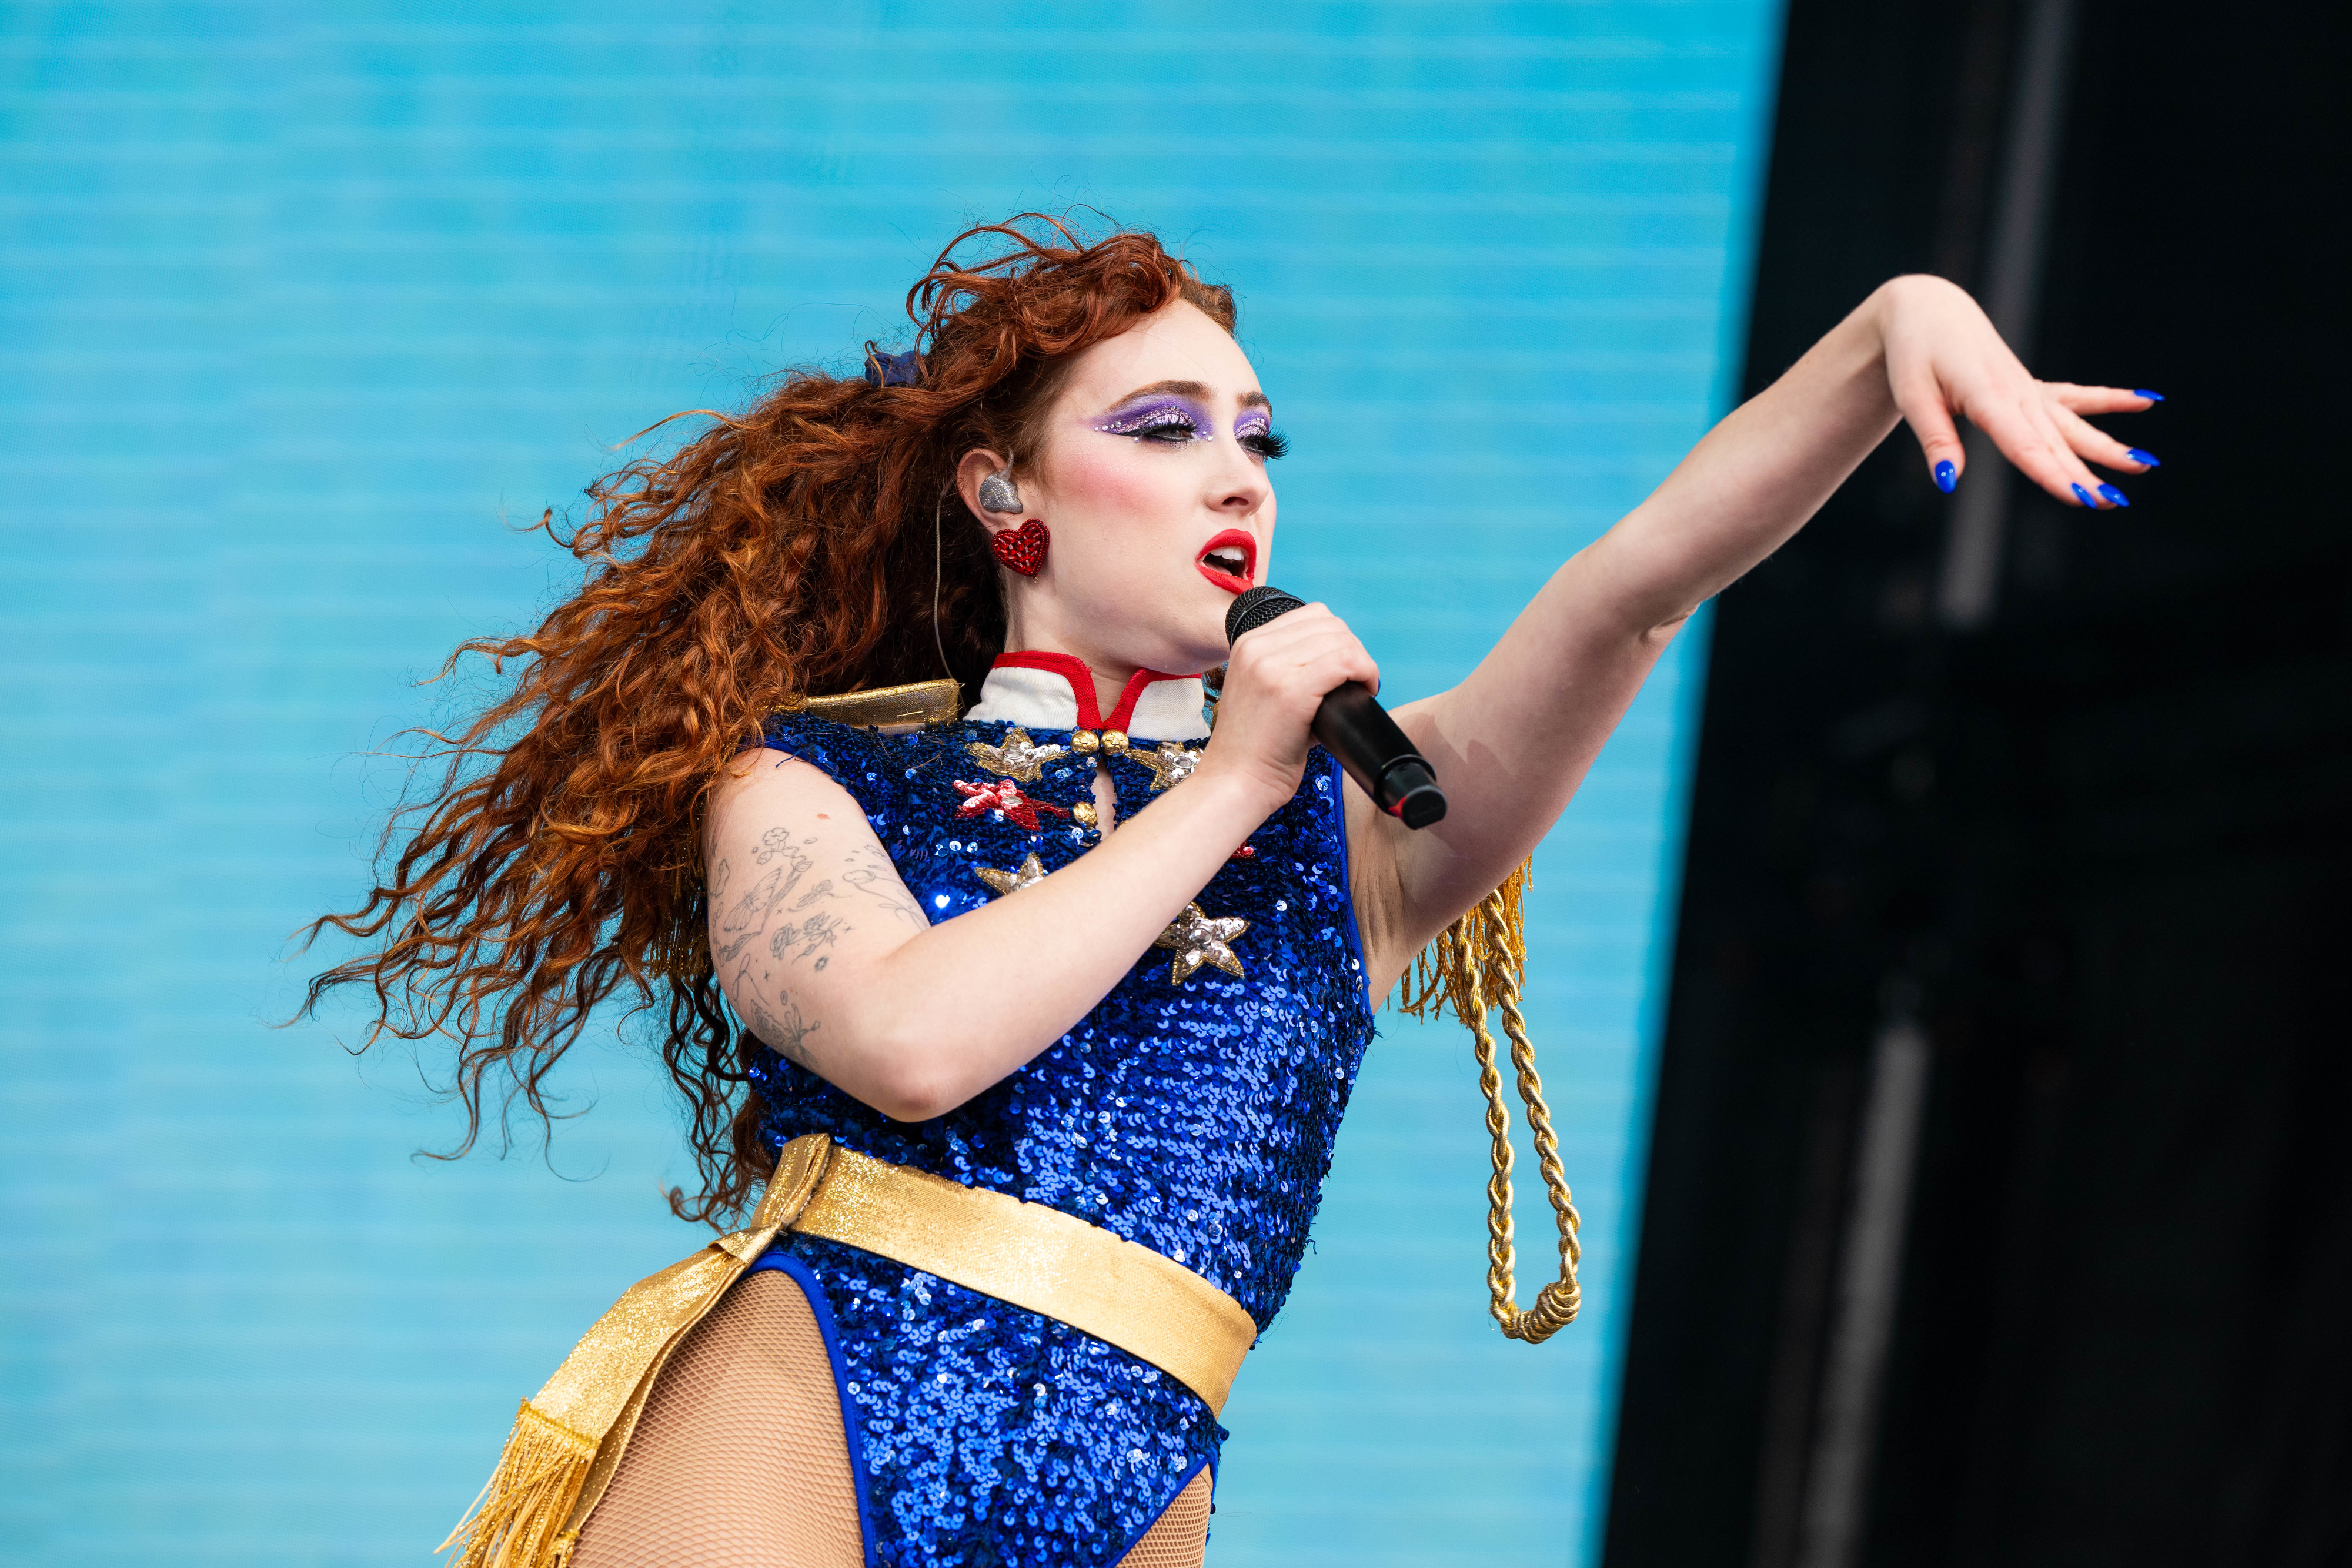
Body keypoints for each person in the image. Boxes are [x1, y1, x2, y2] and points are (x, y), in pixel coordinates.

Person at [305, 215, 2155, 1568]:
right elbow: (910, 1036)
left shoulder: (1355, 829)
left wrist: (1886, 325)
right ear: (1006, 498)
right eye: (1164, 427)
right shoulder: (813, 779)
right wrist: (1234, 778)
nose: (1237, 476)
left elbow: (1632, 589)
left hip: (1140, 1468)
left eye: (1257, 435)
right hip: (817, 1396)